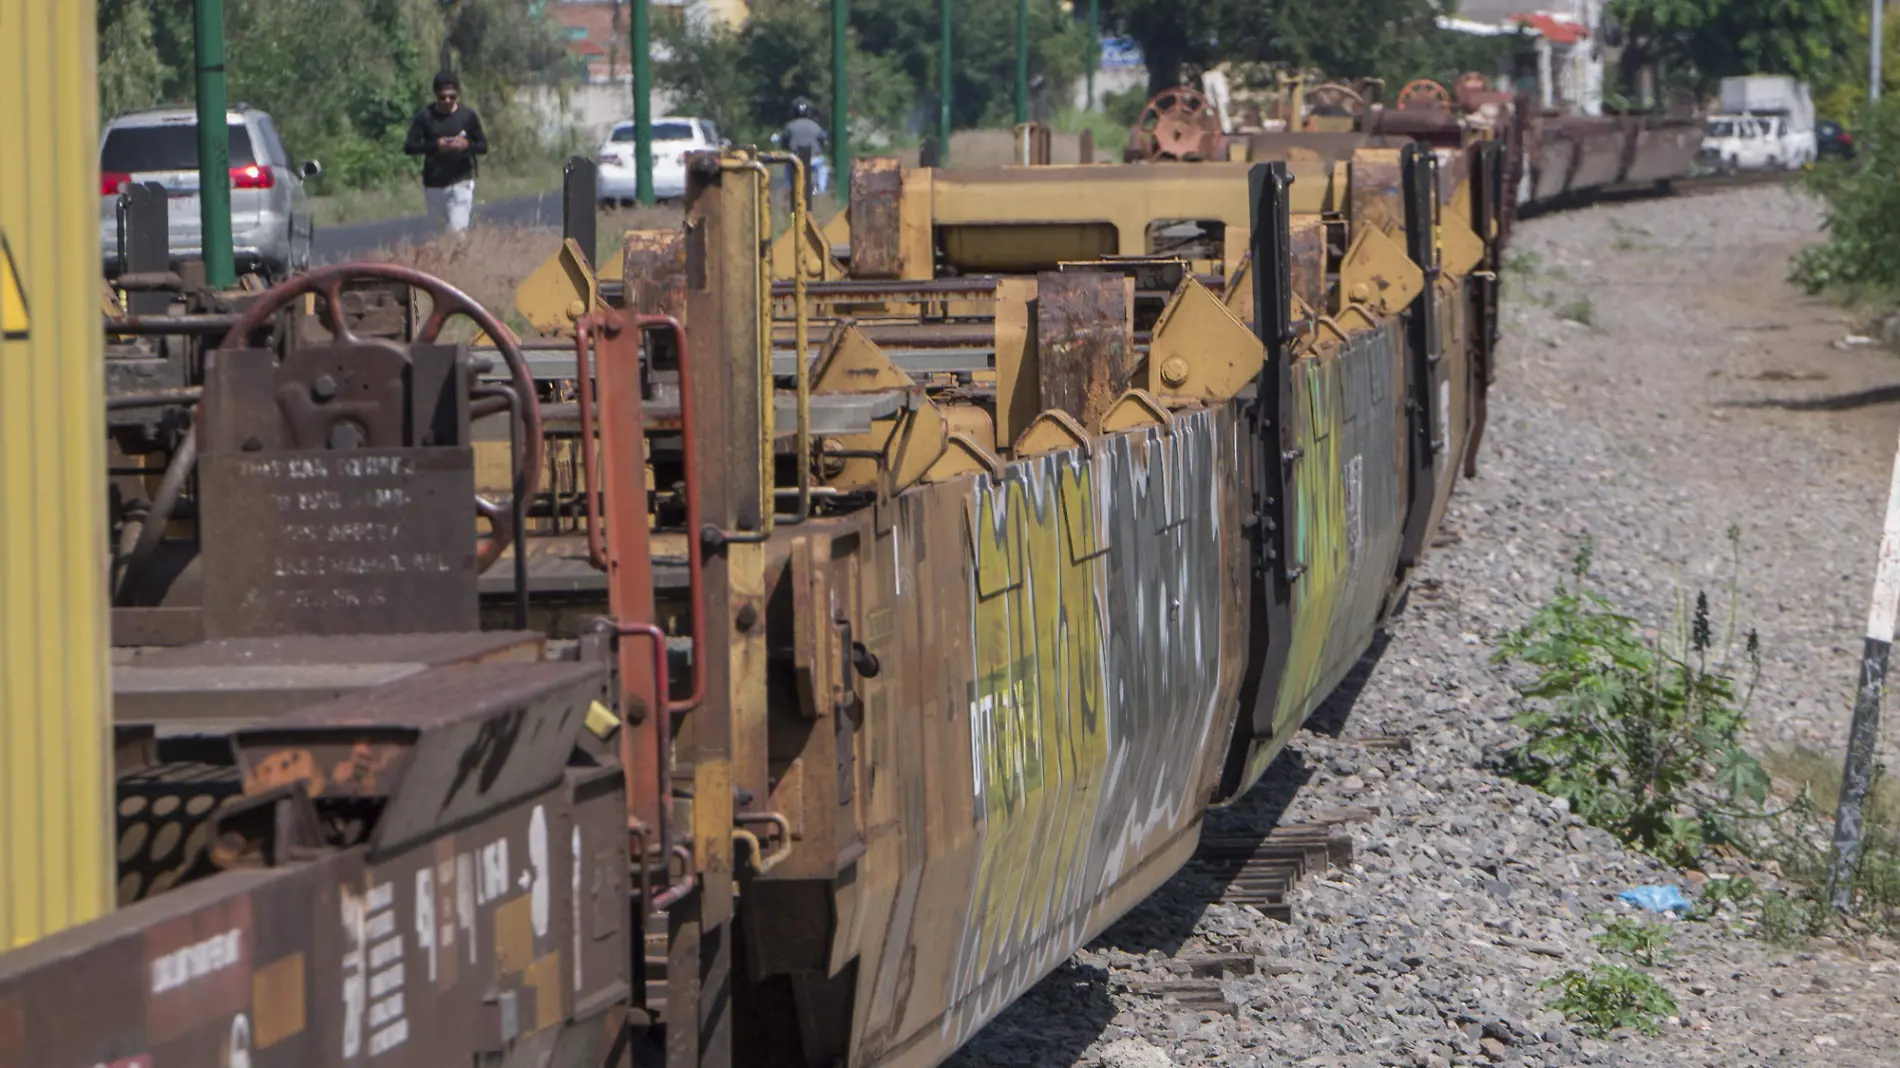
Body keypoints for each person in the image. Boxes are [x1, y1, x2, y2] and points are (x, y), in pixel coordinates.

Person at [404, 71, 488, 234]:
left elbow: (483, 146)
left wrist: (465, 145)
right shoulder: (425, 117)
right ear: (436, 95)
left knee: (457, 231)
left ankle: (461, 257)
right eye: (443, 97)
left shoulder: (467, 116)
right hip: (434, 183)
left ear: (458, 95)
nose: (447, 101)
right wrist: (436, 145)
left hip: (461, 181)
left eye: (452, 97)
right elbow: (410, 147)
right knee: (437, 232)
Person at [779, 98, 829, 196]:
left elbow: (784, 142)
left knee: (788, 167)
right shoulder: (816, 126)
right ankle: (821, 191)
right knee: (823, 167)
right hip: (814, 160)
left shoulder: (789, 126)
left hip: (795, 160)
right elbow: (823, 140)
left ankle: (790, 187)